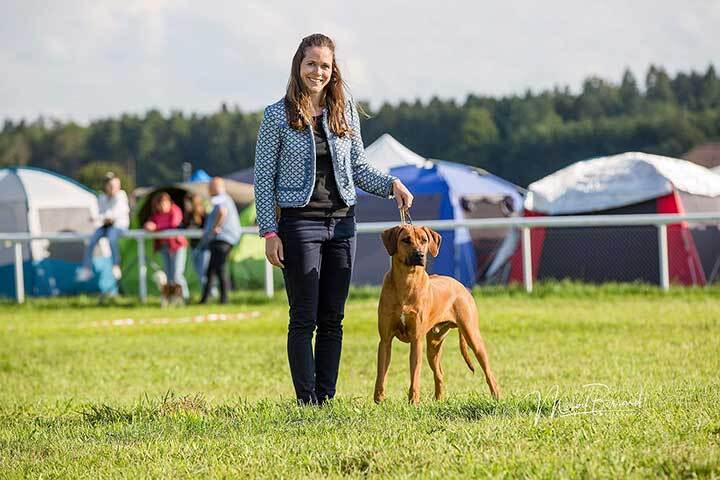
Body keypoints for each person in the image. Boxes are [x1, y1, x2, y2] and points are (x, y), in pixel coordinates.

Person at [253, 33, 413, 405]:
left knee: (332, 318)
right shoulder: (276, 115)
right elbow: (264, 178)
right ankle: (306, 400)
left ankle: (325, 399)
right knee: (303, 317)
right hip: (299, 225)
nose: (318, 71)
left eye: (325, 65)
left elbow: (357, 166)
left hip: (342, 223)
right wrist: (269, 232)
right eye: (311, 64)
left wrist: (392, 185)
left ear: (333, 69)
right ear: (299, 66)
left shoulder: (344, 110)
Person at [77, 172, 130, 282]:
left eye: (116, 185)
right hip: (106, 226)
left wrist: (98, 218)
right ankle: (86, 268)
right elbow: (103, 214)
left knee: (112, 238)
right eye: (111, 185)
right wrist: (102, 218)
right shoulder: (102, 197)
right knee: (92, 241)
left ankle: (116, 265)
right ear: (106, 186)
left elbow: (114, 214)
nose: (113, 188)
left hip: (119, 226)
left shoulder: (121, 196)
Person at [199, 177, 242, 304]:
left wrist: (214, 227)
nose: (209, 189)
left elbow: (222, 212)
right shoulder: (226, 198)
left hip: (222, 238)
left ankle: (220, 299)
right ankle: (212, 299)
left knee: (216, 269)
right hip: (226, 238)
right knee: (215, 269)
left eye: (211, 186)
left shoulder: (220, 198)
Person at [143, 192, 189, 301]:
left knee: (177, 274)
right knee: (169, 275)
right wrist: (148, 225)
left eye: (164, 203)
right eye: (160, 204)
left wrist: (155, 227)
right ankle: (172, 298)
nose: (162, 206)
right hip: (164, 247)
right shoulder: (156, 215)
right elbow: (149, 224)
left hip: (177, 246)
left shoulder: (175, 210)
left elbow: (173, 225)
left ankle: (185, 297)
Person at [182, 192, 209, 291]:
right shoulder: (187, 215)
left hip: (204, 247)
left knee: (204, 272)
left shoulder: (203, 214)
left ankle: (210, 294)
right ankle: (205, 294)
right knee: (199, 272)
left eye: (187, 202)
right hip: (193, 247)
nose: (186, 205)